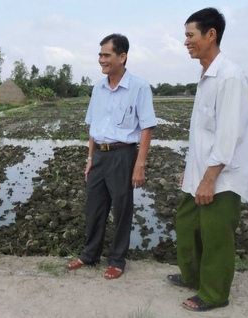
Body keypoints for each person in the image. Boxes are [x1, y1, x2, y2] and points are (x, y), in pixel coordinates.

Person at [167, 7, 248, 312]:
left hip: (222, 177)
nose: (186, 41)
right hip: (201, 172)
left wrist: (209, 177)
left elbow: (227, 135)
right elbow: (203, 134)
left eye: (190, 35)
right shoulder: (206, 75)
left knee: (216, 236)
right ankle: (192, 276)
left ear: (211, 34)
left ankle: (215, 294)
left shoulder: (229, 75)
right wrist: (192, 171)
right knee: (188, 223)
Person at [66, 34, 157, 279]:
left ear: (122, 56)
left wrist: (140, 164)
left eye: (106, 55)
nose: (101, 60)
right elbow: (93, 127)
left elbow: (147, 127)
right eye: (100, 55)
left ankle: (117, 260)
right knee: (94, 207)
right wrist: (89, 159)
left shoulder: (139, 87)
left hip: (123, 155)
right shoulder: (98, 88)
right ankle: (89, 255)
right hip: (100, 156)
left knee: (122, 208)